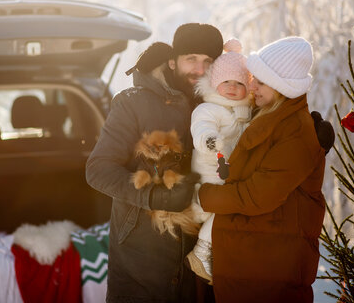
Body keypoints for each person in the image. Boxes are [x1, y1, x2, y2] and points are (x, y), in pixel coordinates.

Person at [86, 23, 224, 302]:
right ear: (173, 61)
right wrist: (154, 196)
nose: (199, 69)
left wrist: (305, 134)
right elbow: (98, 169)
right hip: (141, 260)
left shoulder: (223, 104)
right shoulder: (133, 103)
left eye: (208, 61)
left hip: (201, 260)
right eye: (191, 59)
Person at [198, 36, 328, 303]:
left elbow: (258, 195)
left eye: (261, 81)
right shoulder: (270, 115)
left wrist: (204, 196)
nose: (251, 85)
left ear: (282, 87)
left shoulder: (295, 130)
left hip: (269, 274)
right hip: (255, 265)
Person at [185, 38, 252, 285]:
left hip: (229, 177)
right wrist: (210, 140)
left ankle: (210, 252)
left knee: (230, 212)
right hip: (209, 175)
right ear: (215, 84)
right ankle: (201, 251)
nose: (233, 88)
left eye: (239, 83)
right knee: (223, 210)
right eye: (226, 82)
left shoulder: (245, 111)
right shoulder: (209, 109)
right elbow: (201, 128)